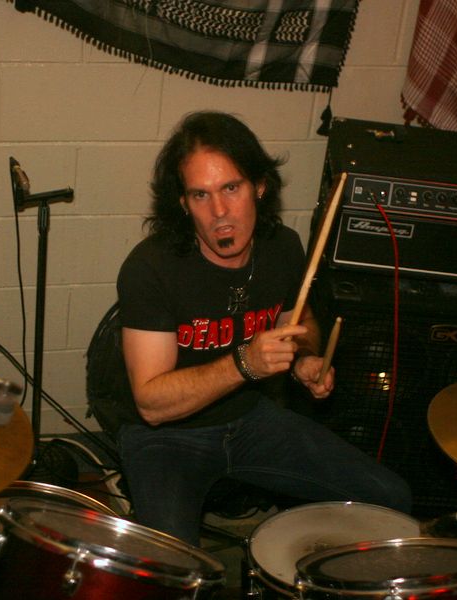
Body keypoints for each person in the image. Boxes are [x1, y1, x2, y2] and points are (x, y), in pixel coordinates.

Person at [115, 111, 411, 546]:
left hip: (250, 419)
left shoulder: (282, 247)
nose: (219, 211)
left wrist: (305, 357)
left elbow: (297, 320)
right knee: (176, 565)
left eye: (231, 188)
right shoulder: (150, 268)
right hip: (166, 437)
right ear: (182, 203)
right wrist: (245, 363)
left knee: (390, 497)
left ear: (259, 185)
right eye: (200, 195)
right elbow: (151, 404)